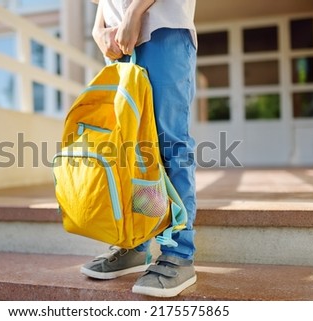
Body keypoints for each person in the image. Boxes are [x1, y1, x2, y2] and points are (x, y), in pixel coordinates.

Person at [81, 0, 198, 298]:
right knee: (134, 150)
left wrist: (135, 11)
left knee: (170, 144)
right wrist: (98, 28)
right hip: (118, 39)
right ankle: (137, 241)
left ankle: (178, 253)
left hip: (162, 27)